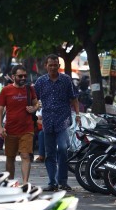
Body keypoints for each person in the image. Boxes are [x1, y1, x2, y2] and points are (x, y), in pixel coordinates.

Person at [34, 54, 81, 191]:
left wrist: (77, 114)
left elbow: (74, 98)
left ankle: (63, 181)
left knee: (62, 149)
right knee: (50, 153)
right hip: (47, 121)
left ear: (59, 66)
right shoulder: (41, 82)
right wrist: (35, 112)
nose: (53, 67)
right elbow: (34, 99)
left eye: (55, 65)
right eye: (50, 65)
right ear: (46, 66)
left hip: (63, 120)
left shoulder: (66, 80)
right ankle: (52, 182)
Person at [0, 65, 38, 184]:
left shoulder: (30, 89)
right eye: (20, 76)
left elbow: (37, 104)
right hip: (10, 130)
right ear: (13, 76)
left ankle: (25, 183)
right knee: (10, 158)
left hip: (27, 129)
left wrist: (33, 108)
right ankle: (10, 183)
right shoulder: (6, 90)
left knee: (25, 156)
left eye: (24, 76)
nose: (23, 78)